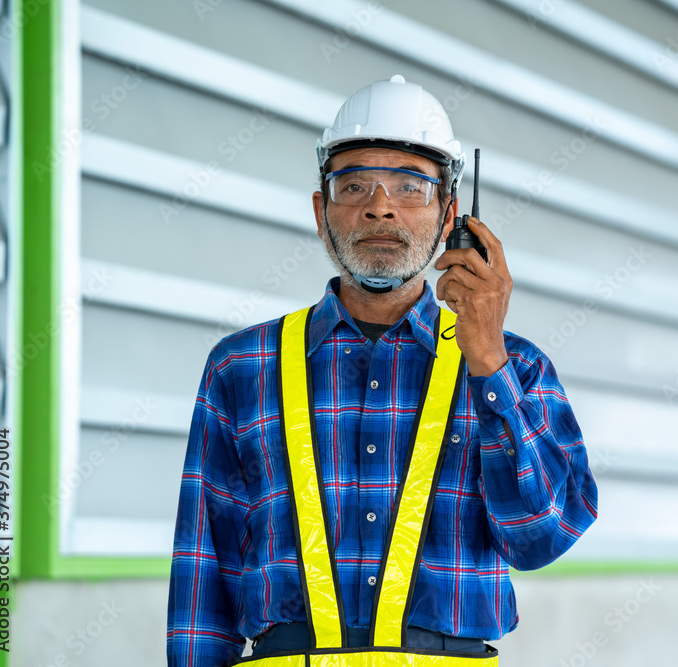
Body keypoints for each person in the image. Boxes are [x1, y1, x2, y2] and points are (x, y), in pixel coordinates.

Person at [166, 74, 598, 667]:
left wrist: (488, 364)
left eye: (410, 186)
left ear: (452, 217)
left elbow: (541, 538)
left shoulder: (515, 367)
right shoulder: (241, 366)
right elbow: (203, 574)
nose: (380, 205)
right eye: (355, 185)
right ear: (323, 213)